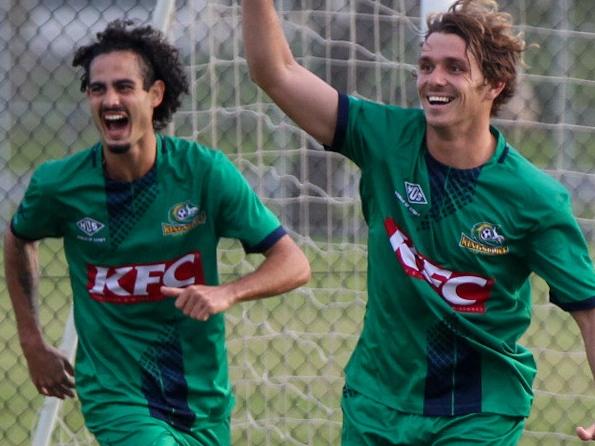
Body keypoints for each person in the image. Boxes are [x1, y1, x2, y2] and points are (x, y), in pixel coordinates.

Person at [242, 0, 595, 444]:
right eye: (426, 65)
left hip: (477, 408)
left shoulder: (534, 198)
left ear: (495, 85)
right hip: (378, 398)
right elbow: (275, 71)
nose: (434, 79)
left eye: (454, 67)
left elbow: (589, 307)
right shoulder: (384, 138)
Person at [4, 19, 310, 446]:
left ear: (155, 95)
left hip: (202, 400)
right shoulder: (59, 185)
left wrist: (228, 292)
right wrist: (32, 341)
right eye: (98, 89)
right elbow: (19, 238)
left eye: (124, 87)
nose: (110, 99)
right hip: (118, 396)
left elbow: (293, 263)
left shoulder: (204, 174)